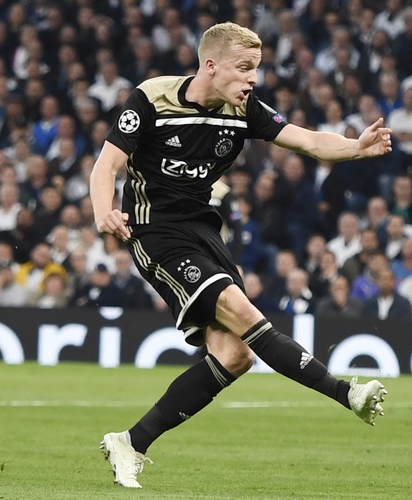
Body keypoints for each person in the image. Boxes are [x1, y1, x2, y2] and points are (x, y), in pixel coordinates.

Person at [91, 23, 391, 489]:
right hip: (155, 233)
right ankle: (344, 393)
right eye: (244, 68)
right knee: (239, 308)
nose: (253, 79)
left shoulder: (243, 109)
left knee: (235, 356)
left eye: (258, 69)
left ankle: (131, 442)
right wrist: (104, 210)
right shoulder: (153, 99)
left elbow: (308, 140)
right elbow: (106, 164)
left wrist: (354, 147)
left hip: (204, 233)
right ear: (211, 65)